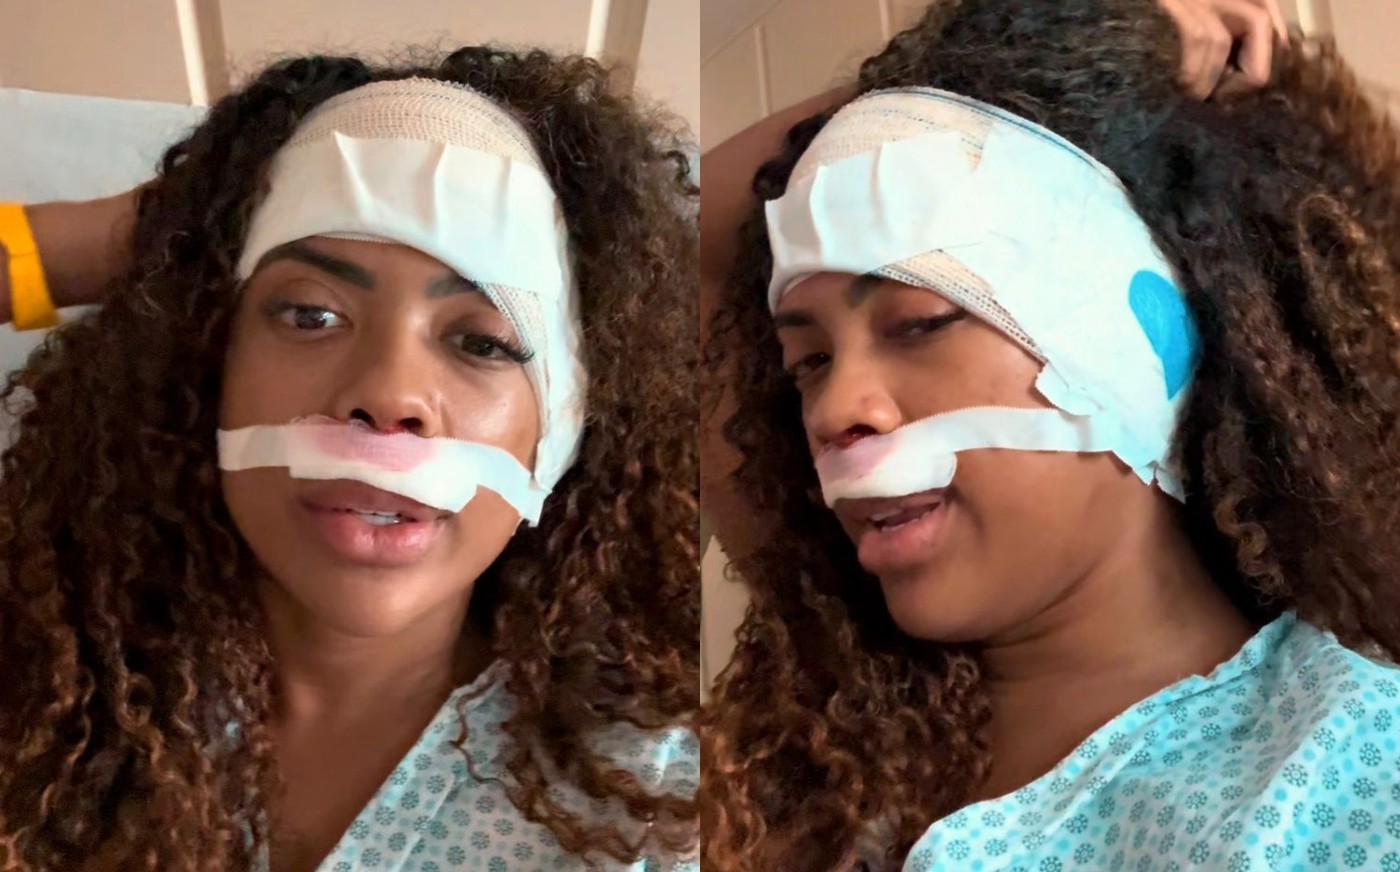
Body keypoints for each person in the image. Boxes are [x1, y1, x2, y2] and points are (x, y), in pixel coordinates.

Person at [699, 0, 1400, 870]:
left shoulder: (1350, 779)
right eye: (808, 361)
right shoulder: (830, 717)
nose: (836, 409)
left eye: (920, 323)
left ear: (1145, 347)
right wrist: (1045, 47)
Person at [0, 47, 698, 872]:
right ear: (206, 362)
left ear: (569, 422)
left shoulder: (669, 799)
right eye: (309, 314)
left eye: (483, 341)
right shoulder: (36, 693)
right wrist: (165, 239)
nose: (389, 396)